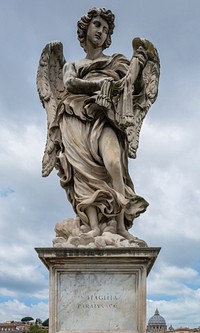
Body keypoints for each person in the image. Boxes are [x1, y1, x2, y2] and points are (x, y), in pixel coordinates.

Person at [54, 7, 149, 241]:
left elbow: (135, 89)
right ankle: (95, 226)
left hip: (106, 118)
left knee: (114, 164)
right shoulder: (73, 65)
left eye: (106, 29)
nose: (101, 31)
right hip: (75, 119)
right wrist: (101, 85)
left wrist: (139, 67)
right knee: (83, 176)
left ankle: (118, 225)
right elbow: (71, 84)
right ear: (85, 28)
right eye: (97, 25)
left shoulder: (116, 61)